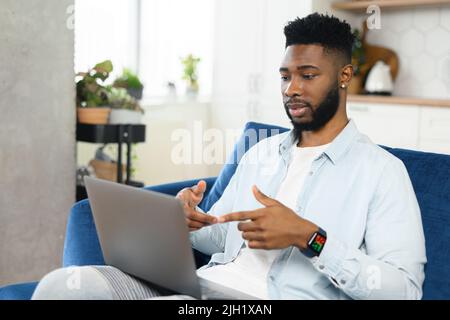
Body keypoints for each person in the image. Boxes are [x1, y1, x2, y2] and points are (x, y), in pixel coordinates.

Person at [32, 13, 426, 300]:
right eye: (285, 76)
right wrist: (186, 220)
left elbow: (405, 290)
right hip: (205, 287)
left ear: (344, 76)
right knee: (62, 288)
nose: (291, 88)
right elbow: (221, 234)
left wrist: (311, 237)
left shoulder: (382, 172)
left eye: (307, 75)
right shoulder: (263, 152)